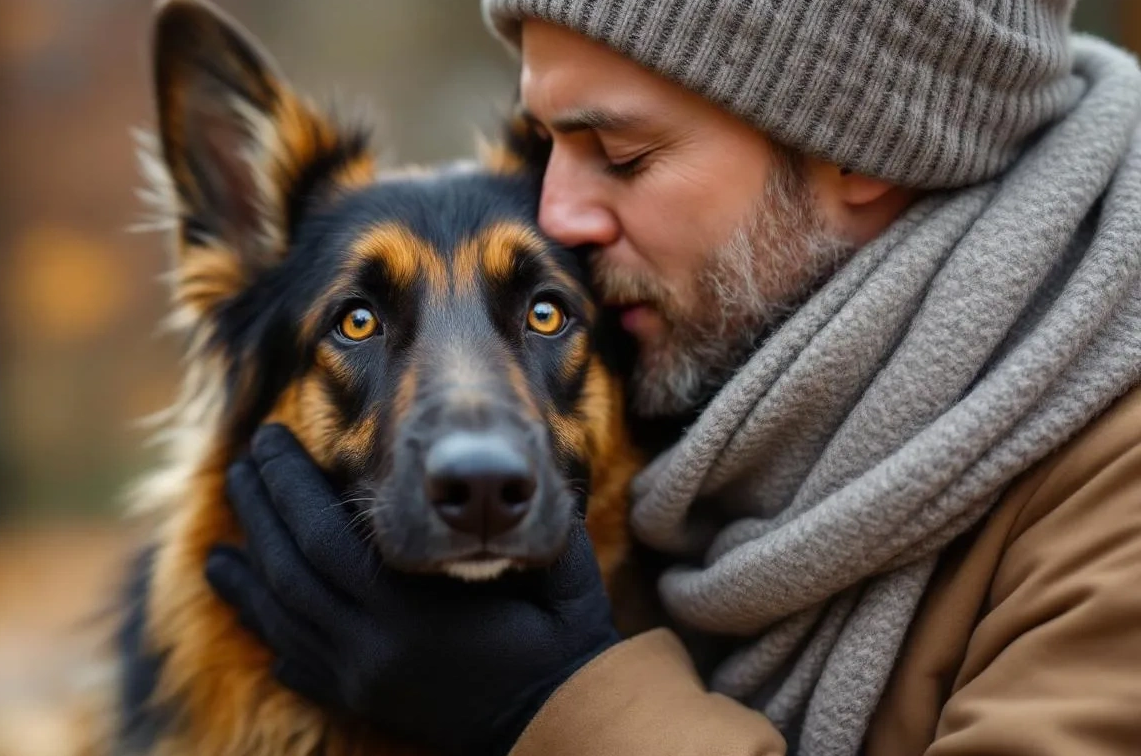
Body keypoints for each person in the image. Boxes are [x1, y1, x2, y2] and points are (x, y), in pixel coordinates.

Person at [202, 1, 1141, 754]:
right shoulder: (708, 391)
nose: (558, 218)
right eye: (551, 144)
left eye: (620, 155)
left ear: (854, 145)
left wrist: (560, 708)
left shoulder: (1115, 496)